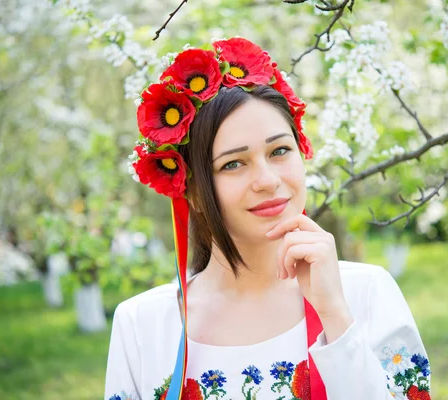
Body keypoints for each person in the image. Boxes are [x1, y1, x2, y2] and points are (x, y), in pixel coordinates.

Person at [105, 37, 431, 400]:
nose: (267, 181)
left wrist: (336, 316)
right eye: (232, 163)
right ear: (192, 191)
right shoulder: (142, 325)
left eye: (279, 151)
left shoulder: (366, 294)